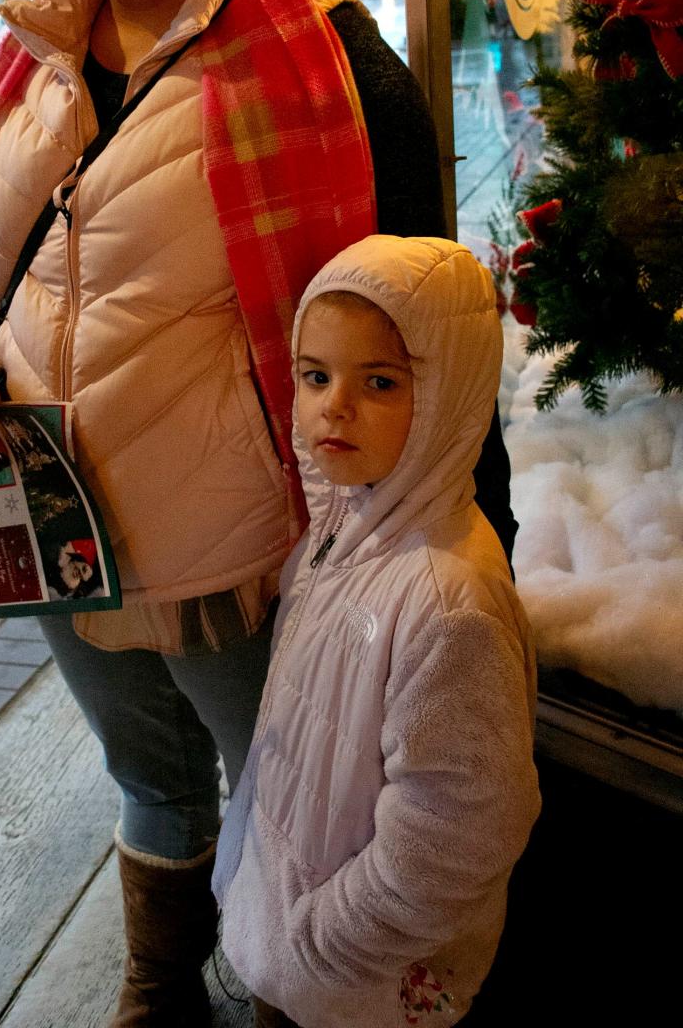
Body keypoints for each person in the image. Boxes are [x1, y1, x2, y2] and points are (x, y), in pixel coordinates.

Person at [0, 0, 517, 1025]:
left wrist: (475, 533)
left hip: (238, 553)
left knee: (292, 804)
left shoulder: (326, 52)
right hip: (59, 531)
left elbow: (426, 320)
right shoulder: (32, 55)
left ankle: (283, 991)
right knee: (149, 780)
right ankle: (161, 989)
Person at [214, 235, 540, 1028]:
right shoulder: (343, 527)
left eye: (382, 381)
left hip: (360, 982)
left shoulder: (445, 602)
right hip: (297, 941)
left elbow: (453, 839)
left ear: (450, 398)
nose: (336, 406)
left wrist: (315, 947)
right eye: (315, 375)